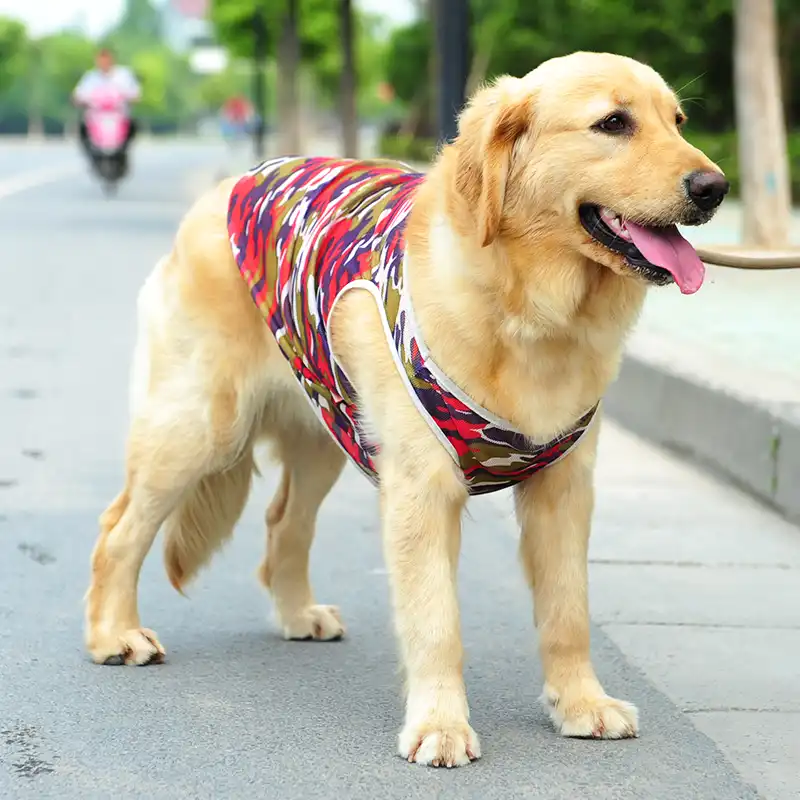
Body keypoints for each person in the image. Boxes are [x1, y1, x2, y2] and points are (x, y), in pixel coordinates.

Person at [73, 48, 141, 162]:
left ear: (112, 60)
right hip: (96, 114)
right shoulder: (91, 77)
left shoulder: (123, 75)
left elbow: (135, 92)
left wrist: (132, 98)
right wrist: (79, 100)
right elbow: (79, 94)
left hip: (119, 113)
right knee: (82, 126)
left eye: (106, 61)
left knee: (133, 124)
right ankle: (88, 148)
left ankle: (125, 146)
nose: (104, 64)